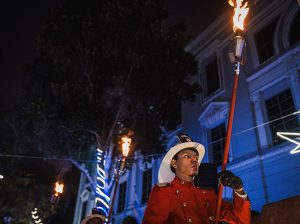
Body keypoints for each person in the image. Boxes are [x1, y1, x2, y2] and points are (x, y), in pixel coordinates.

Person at [143, 134, 251, 224]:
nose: (194, 160)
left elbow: (240, 220)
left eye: (196, 157)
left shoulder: (207, 193)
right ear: (174, 163)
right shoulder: (164, 192)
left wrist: (239, 189)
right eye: (187, 156)